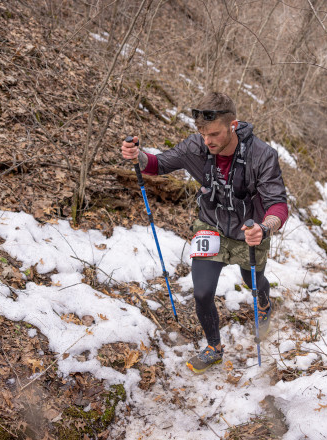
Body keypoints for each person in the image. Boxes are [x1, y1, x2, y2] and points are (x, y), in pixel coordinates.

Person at [121, 92, 288, 374]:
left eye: (214, 134)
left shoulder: (262, 155)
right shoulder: (195, 147)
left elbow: (278, 204)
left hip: (250, 230)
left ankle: (263, 303)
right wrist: (137, 155)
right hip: (211, 225)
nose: (207, 140)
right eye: (202, 133)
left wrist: (264, 227)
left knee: (253, 280)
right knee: (202, 292)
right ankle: (214, 347)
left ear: (233, 125)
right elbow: (157, 164)